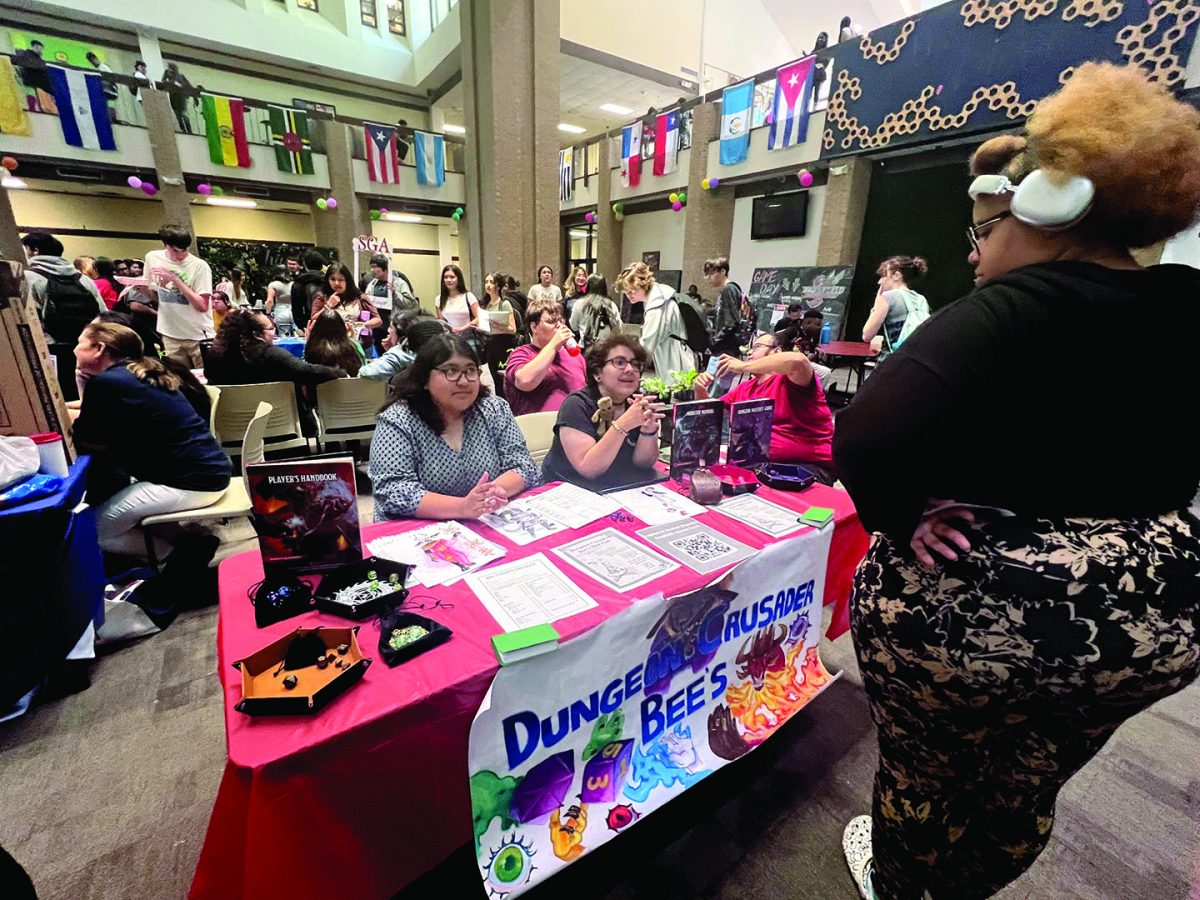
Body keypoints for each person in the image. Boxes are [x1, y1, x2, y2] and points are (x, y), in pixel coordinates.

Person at [832, 63, 1200, 900]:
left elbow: (868, 435)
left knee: (926, 776)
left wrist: (901, 517)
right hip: (1151, 625)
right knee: (1027, 781)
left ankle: (901, 884)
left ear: (1046, 206)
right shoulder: (1188, 302)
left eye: (985, 229)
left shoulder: (1003, 312)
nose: (976, 251)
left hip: (986, 616)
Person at [72, 322, 229, 560]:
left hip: (191, 482)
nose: (74, 350)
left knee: (93, 531)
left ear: (99, 348)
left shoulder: (107, 383)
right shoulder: (138, 374)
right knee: (127, 506)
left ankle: (178, 557)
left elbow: (89, 439)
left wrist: (83, 387)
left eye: (79, 344)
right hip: (209, 472)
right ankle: (188, 543)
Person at [369, 334, 540, 520]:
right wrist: (462, 507)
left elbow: (523, 464)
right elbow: (393, 490)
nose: (464, 381)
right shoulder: (398, 420)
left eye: (470, 370)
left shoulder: (494, 409)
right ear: (425, 379)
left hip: (483, 519)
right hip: (418, 528)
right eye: (451, 371)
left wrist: (493, 491)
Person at [694, 330, 835, 482]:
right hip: (760, 466)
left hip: (805, 468)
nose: (749, 353)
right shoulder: (745, 388)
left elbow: (798, 361)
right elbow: (709, 415)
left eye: (757, 347)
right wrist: (700, 390)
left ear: (777, 351)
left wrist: (743, 366)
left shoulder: (791, 380)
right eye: (749, 349)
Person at [540, 335, 664, 492]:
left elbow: (643, 463)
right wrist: (624, 424)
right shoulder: (577, 405)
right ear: (597, 373)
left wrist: (648, 432)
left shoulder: (635, 403)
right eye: (619, 362)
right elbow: (589, 469)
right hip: (568, 491)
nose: (630, 369)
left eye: (636, 364)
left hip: (616, 488)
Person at [205, 308, 345, 387]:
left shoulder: (215, 356)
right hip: (281, 426)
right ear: (256, 333)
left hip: (230, 428)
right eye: (271, 328)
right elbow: (306, 371)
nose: (275, 333)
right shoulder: (272, 356)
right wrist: (340, 373)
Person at [143, 224, 214, 368]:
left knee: (206, 379)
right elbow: (156, 297)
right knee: (179, 379)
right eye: (176, 251)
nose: (181, 255)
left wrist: (176, 280)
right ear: (166, 246)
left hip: (198, 335)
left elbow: (202, 305)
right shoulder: (152, 258)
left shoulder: (199, 265)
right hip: (170, 333)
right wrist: (143, 289)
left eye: (185, 250)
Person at [503, 296, 586, 417]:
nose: (559, 326)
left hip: (574, 427)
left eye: (560, 321)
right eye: (551, 321)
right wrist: (553, 345)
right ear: (534, 327)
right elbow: (525, 381)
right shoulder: (522, 353)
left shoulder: (575, 357)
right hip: (538, 428)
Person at [618, 261, 692, 377]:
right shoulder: (661, 294)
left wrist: (628, 364)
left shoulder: (656, 306)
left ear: (643, 284)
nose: (629, 296)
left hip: (673, 359)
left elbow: (647, 344)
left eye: (632, 291)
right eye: (626, 292)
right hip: (678, 353)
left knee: (675, 390)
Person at [861, 255, 931, 352]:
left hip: (894, 361)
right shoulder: (921, 299)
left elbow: (867, 335)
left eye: (883, 275)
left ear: (896, 276)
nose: (879, 281)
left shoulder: (887, 297)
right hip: (915, 359)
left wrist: (876, 304)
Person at [308, 263, 381, 354]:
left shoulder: (360, 297)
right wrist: (328, 305)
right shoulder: (322, 297)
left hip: (359, 345)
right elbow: (314, 319)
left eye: (341, 280)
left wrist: (362, 326)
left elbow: (377, 319)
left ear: (348, 280)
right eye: (332, 279)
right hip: (331, 347)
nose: (336, 283)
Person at [360, 312, 446, 382]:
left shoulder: (400, 354)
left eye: (391, 327)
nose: (388, 331)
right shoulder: (444, 351)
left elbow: (365, 373)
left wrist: (395, 349)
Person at [364, 253, 418, 354]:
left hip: (394, 328)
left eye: (375, 267)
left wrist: (395, 293)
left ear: (384, 268)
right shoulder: (372, 285)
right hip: (377, 328)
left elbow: (411, 304)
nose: (372, 270)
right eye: (371, 267)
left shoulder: (399, 283)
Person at [703, 256, 745, 357]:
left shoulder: (729, 289)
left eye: (712, 273)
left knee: (715, 373)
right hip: (727, 347)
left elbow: (731, 322)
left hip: (726, 349)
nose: (709, 278)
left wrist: (714, 342)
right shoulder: (731, 289)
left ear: (722, 271)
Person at [570, 273, 622, 348]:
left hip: (586, 346)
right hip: (607, 347)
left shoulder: (579, 303)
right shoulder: (611, 304)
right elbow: (618, 327)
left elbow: (573, 325)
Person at [305, 308, 363, 376]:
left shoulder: (313, 350)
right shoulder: (353, 347)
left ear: (316, 329)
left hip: (323, 386)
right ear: (342, 328)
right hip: (351, 386)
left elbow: (307, 369)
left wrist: (309, 342)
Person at [435, 264, 480, 335]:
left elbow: (479, 318)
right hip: (450, 339)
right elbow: (442, 322)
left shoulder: (468, 296)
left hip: (468, 337)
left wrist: (462, 328)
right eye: (445, 277)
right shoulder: (439, 299)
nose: (448, 280)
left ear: (459, 279)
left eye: (452, 277)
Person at [290, 250, 327, 325]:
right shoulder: (328, 280)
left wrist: (302, 326)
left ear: (304, 264)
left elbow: (297, 310)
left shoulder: (298, 283)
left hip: (308, 323)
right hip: (328, 319)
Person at [160, 62, 195, 133]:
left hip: (180, 97)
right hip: (173, 97)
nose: (169, 70)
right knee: (178, 115)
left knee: (181, 114)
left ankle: (188, 130)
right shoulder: (168, 75)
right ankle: (183, 129)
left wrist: (179, 85)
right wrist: (170, 80)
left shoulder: (181, 76)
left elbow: (188, 87)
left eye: (170, 68)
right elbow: (163, 82)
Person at [264, 265, 295, 335]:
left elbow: (270, 301)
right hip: (293, 311)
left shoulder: (273, 285)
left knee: (283, 335)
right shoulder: (293, 284)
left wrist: (268, 314)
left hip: (280, 311)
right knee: (295, 334)